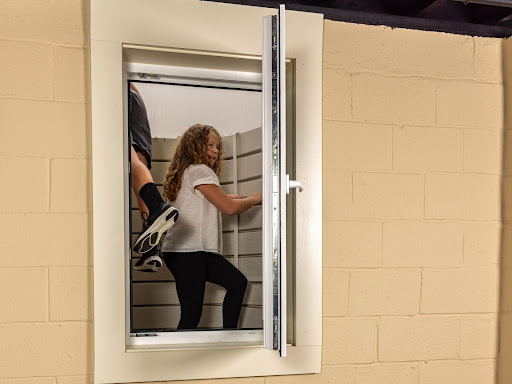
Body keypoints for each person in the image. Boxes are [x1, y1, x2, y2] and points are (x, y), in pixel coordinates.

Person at [161, 124, 262, 330]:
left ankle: (228, 338)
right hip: (188, 252)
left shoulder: (188, 172)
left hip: (194, 252)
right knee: (192, 313)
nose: (215, 151)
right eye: (210, 145)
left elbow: (216, 199)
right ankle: (181, 359)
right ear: (195, 146)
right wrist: (253, 200)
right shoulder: (200, 171)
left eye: (217, 147)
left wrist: (243, 198)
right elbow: (228, 207)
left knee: (237, 283)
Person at [129, 83, 179, 272]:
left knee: (126, 155)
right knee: (138, 165)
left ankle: (158, 206)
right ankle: (151, 248)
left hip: (121, 92)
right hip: (137, 101)